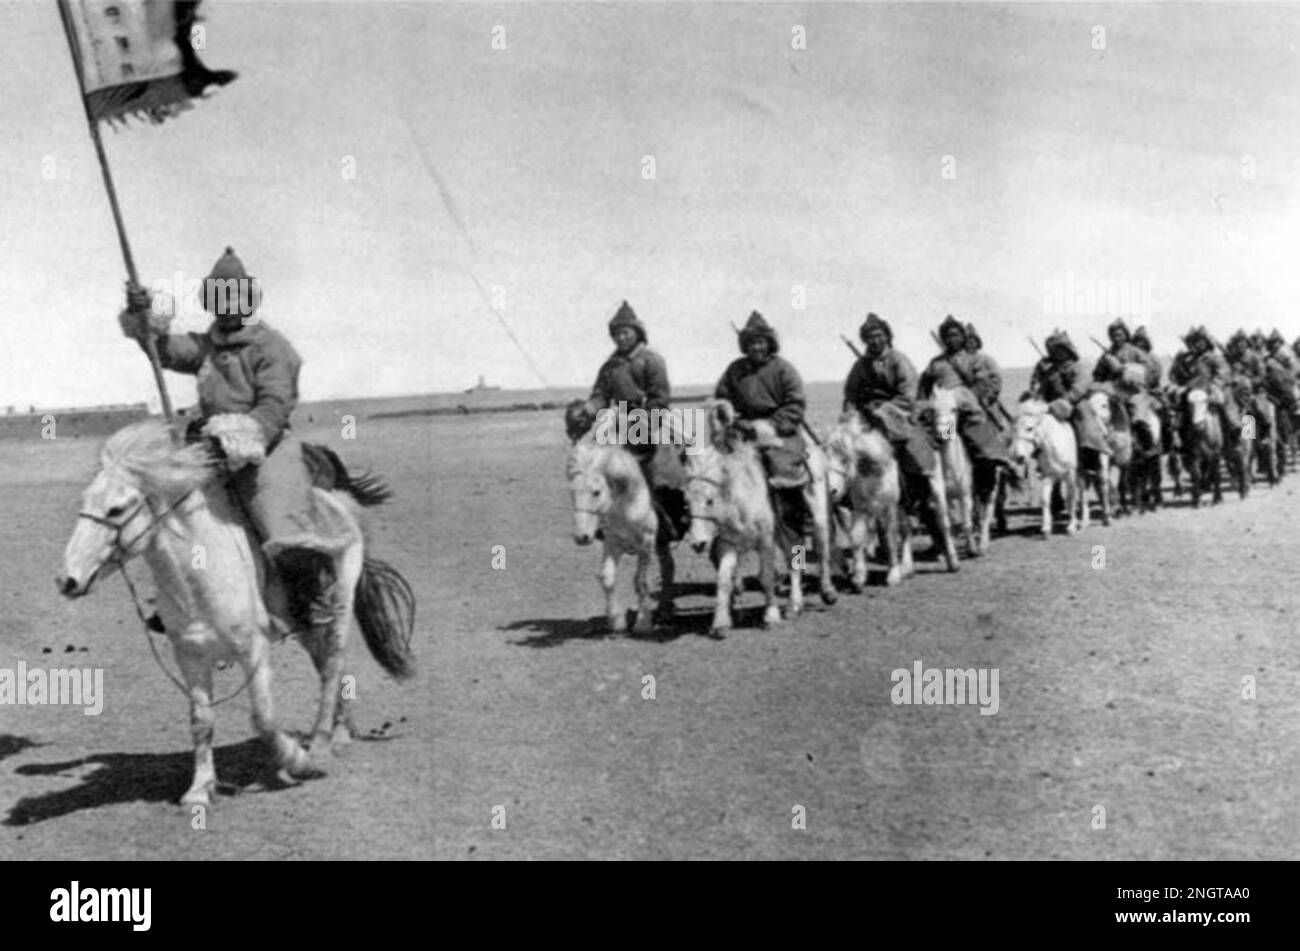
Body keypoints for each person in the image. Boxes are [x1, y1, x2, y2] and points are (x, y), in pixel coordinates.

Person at [118, 246, 338, 633]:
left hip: (265, 450)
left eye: (235, 296)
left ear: (248, 300)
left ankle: (312, 601)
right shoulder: (207, 346)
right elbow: (164, 351)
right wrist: (143, 315)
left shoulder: (273, 347)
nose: (228, 305)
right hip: (211, 450)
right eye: (220, 297)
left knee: (278, 525)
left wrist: (240, 436)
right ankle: (183, 604)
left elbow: (274, 404)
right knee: (175, 518)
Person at [572, 301, 688, 538]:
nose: (622, 338)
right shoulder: (610, 366)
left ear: (637, 333)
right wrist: (588, 408)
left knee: (664, 466)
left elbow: (660, 396)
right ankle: (603, 521)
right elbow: (601, 396)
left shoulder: (652, 360)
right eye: (617, 334)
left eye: (626, 332)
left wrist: (645, 420)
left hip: (652, 416)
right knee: (595, 463)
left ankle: (671, 516)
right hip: (620, 418)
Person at [843, 312, 947, 553]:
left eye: (878, 335)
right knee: (846, 459)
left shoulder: (900, 361)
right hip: (868, 422)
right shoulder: (860, 366)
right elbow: (850, 394)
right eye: (869, 337)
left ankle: (934, 521)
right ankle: (850, 502)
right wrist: (851, 416)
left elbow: (908, 395)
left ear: (887, 336)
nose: (874, 341)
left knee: (922, 462)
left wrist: (884, 411)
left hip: (899, 420)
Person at [715, 311, 811, 556]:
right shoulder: (735, 370)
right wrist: (731, 419)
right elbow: (722, 399)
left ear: (769, 343)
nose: (756, 347)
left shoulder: (784, 370)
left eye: (761, 341)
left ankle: (797, 550)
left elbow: (795, 405)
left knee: (784, 485)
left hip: (779, 435)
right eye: (751, 342)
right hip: (742, 436)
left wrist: (767, 425)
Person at [918, 315, 1010, 467]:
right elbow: (923, 387)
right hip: (944, 410)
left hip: (969, 410)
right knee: (935, 443)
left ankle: (987, 481)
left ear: (962, 337)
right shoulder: (936, 363)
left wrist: (967, 398)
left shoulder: (974, 360)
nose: (951, 339)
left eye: (955, 335)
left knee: (983, 447)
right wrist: (925, 407)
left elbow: (983, 384)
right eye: (947, 336)